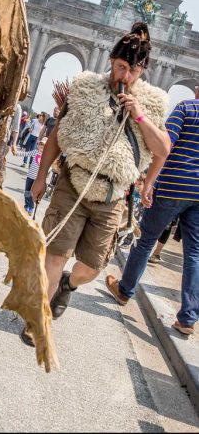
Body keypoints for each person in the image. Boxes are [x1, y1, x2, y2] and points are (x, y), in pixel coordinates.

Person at [20, 22, 171, 347]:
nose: (124, 76)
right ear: (112, 61)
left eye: (132, 70)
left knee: (91, 267)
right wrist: (42, 176)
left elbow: (162, 149)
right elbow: (57, 137)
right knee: (55, 255)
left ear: (142, 70)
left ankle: (68, 286)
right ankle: (38, 319)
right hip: (73, 184)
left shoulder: (154, 103)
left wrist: (140, 118)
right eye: (119, 67)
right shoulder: (86, 88)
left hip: (113, 196)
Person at [106, 84, 199, 336]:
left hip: (173, 187)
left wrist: (150, 183)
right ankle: (188, 318)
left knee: (146, 240)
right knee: (194, 254)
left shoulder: (186, 108)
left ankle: (124, 290)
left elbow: (164, 145)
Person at [13, 137, 47, 215]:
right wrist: (17, 153)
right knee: (27, 192)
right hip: (30, 176)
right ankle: (26, 205)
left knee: (32, 193)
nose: (42, 146)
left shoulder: (45, 156)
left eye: (44, 145)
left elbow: (48, 166)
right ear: (38, 145)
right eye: (41, 144)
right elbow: (26, 153)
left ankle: (31, 207)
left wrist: (47, 172)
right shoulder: (35, 152)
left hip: (37, 179)